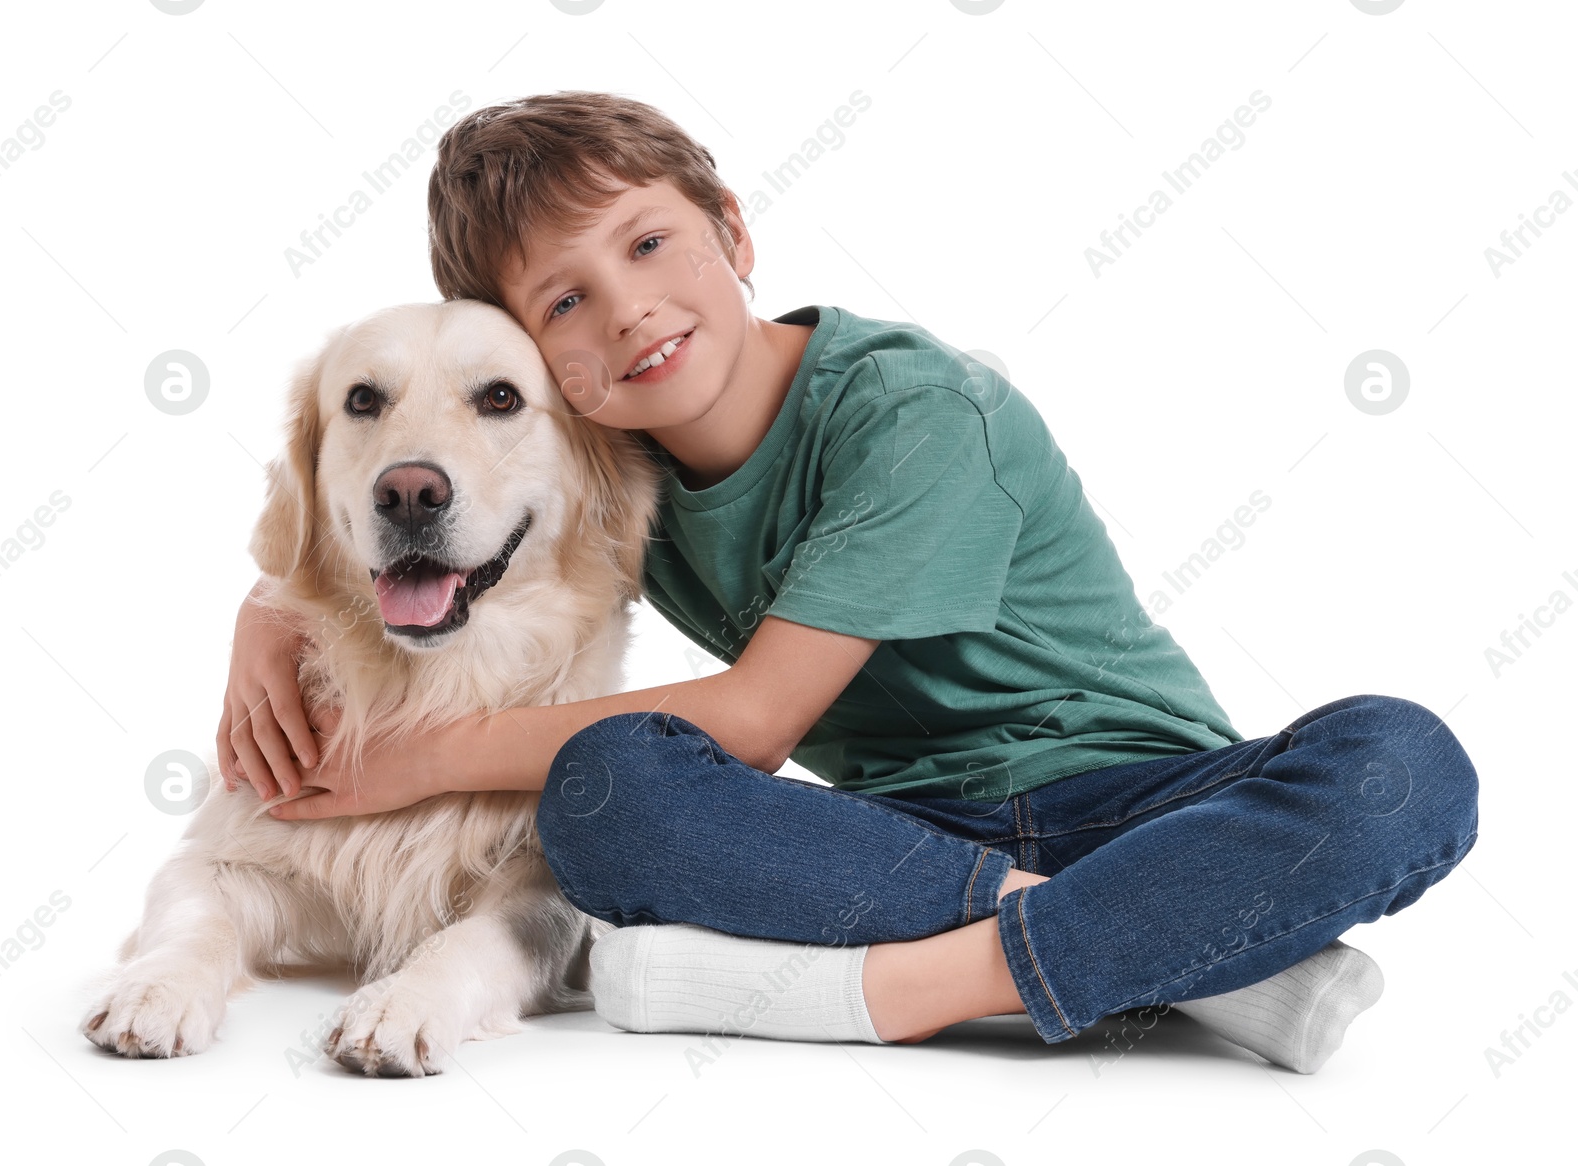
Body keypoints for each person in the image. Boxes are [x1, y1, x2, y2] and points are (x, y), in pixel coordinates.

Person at [219, 91, 1479, 1071]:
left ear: (734, 231)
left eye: (651, 242)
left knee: (1404, 762)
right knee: (604, 790)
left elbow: (761, 721)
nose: (629, 311)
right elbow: (451, 513)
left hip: (1144, 800)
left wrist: (428, 758)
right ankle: (1196, 954)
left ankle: (897, 992)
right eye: (563, 300)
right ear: (537, 359)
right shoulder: (611, 468)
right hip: (899, 840)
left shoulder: (915, 410)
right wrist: (263, 610)